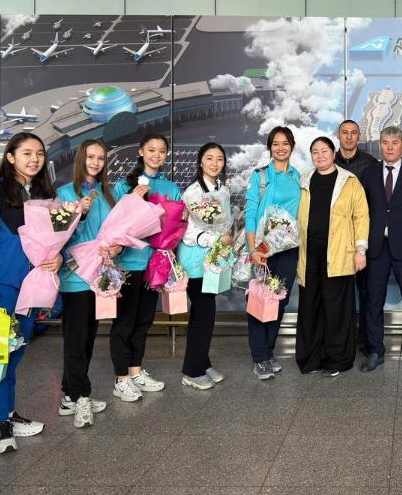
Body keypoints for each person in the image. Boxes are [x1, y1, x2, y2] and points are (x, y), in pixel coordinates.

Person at [0, 132, 60, 454]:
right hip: (5, 287)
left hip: (33, 286)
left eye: (39, 153)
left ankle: (8, 414)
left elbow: (55, 240)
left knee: (16, 352)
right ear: (10, 157)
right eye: (26, 153)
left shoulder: (43, 194)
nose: (34, 159)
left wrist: (59, 258)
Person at [111, 133, 181, 402]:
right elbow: (114, 223)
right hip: (129, 263)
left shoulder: (170, 187)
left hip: (156, 266)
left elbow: (175, 225)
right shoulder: (123, 186)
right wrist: (132, 200)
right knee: (124, 322)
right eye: (151, 150)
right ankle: (121, 379)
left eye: (162, 151)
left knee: (143, 321)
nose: (156, 155)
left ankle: (136, 371)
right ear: (141, 151)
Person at [56, 140, 120, 427]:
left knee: (88, 337)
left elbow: (116, 230)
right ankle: (82, 396)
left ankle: (69, 394)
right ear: (81, 159)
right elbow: (57, 236)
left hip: (100, 276)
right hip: (76, 276)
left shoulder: (107, 193)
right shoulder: (65, 193)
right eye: (90, 157)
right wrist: (77, 214)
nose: (95, 162)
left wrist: (117, 247)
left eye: (101, 158)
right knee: (76, 338)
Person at [295, 137, 369, 376]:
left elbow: (361, 217)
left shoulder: (349, 181)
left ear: (333, 152)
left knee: (336, 309)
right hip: (309, 254)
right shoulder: (304, 180)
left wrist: (360, 250)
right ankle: (310, 358)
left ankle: (337, 359)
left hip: (338, 254)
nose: (320, 155)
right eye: (315, 152)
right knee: (310, 307)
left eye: (324, 151)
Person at [359, 125, 402, 374]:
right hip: (376, 248)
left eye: (394, 143)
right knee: (373, 301)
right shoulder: (368, 174)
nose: (389, 147)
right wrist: (360, 247)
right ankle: (376, 351)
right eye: (385, 143)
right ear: (380, 145)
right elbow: (361, 213)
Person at [245, 126, 301, 380]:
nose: (281, 148)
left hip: (289, 249)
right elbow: (250, 212)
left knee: (280, 300)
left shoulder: (297, 176)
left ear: (292, 146)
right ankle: (259, 357)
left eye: (285, 143)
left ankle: (268, 352)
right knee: (260, 298)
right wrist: (253, 249)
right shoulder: (261, 176)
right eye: (276, 143)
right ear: (270, 147)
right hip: (264, 248)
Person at [176, 143, 233, 390]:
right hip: (195, 259)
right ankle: (192, 371)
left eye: (219, 159)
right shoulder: (192, 193)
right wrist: (217, 239)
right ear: (200, 161)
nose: (214, 163)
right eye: (209, 158)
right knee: (204, 315)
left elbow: (224, 221)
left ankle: (202, 362)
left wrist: (226, 235)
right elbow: (189, 233)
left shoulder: (222, 189)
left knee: (201, 314)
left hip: (213, 257)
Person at [334, 119, 378, 354]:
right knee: (340, 293)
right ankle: (342, 341)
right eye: (345, 133)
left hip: (364, 237)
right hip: (336, 239)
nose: (349, 137)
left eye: (353, 133)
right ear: (338, 136)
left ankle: (366, 342)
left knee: (366, 292)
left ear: (359, 137)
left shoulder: (370, 164)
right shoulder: (329, 161)